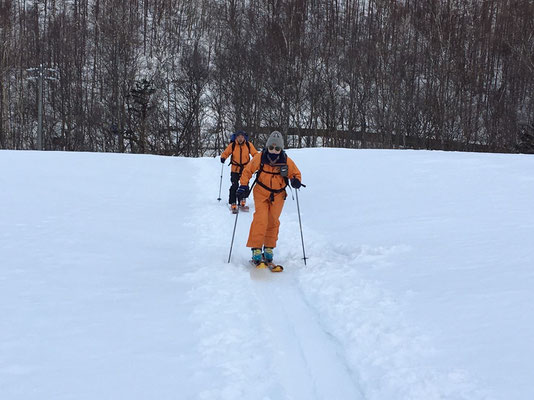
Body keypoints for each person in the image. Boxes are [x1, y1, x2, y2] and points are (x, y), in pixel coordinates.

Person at [236, 131, 302, 264]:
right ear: (267, 147)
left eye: (277, 148)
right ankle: (256, 248)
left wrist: (296, 181)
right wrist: (243, 185)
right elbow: (247, 171)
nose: (273, 150)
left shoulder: (286, 160)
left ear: (281, 149)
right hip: (261, 192)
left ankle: (269, 247)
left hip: (278, 194)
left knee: (273, 221)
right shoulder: (260, 158)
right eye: (271, 148)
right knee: (261, 219)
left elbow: (296, 173)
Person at [220, 130, 258, 212]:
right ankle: (233, 201)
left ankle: (242, 199)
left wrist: (257, 160)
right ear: (236, 137)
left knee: (245, 185)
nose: (240, 139)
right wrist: (223, 157)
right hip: (235, 168)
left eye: (242, 137)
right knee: (234, 185)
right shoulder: (233, 145)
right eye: (239, 137)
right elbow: (226, 152)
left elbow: (255, 154)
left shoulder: (248, 145)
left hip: (245, 169)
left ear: (244, 137)